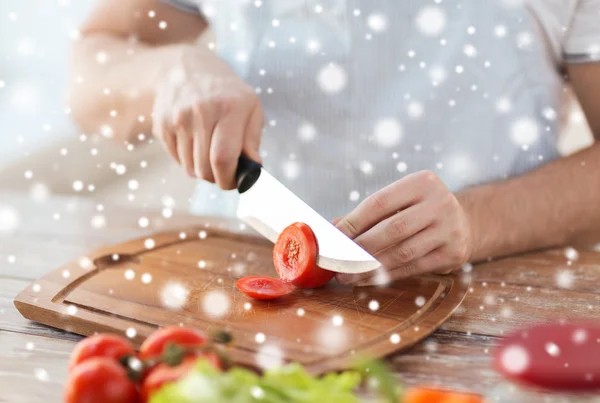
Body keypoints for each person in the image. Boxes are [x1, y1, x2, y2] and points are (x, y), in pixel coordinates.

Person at [69, 0, 600, 286]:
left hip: (481, 296)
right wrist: (168, 72)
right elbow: (89, 70)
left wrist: (479, 221)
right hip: (235, 281)